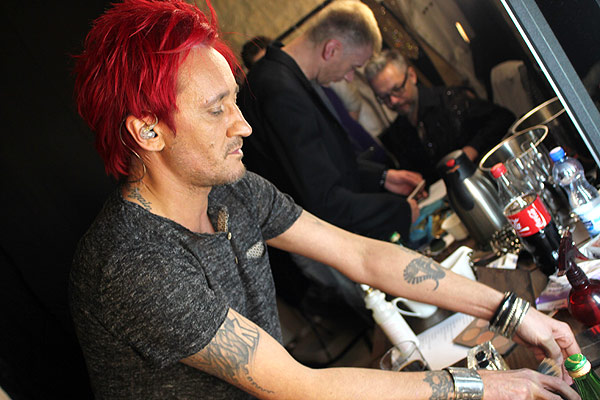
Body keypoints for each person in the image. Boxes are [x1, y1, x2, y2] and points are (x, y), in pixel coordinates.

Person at [69, 0, 581, 399]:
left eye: (236, 102)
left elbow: (360, 255)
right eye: (216, 109)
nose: (243, 125)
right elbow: (302, 387)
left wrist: (513, 312)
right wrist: (485, 386)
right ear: (149, 131)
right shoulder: (133, 263)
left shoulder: (234, 191)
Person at [238, 1, 423, 243]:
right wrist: (399, 211)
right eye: (353, 67)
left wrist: (383, 177)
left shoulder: (283, 73)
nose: (349, 77)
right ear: (332, 49)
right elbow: (324, 200)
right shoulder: (279, 90)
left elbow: (326, 161)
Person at [364, 49, 516, 183]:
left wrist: (472, 149)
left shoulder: (451, 100)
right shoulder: (398, 131)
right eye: (383, 97)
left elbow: (503, 118)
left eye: (397, 89)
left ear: (412, 76)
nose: (393, 101)